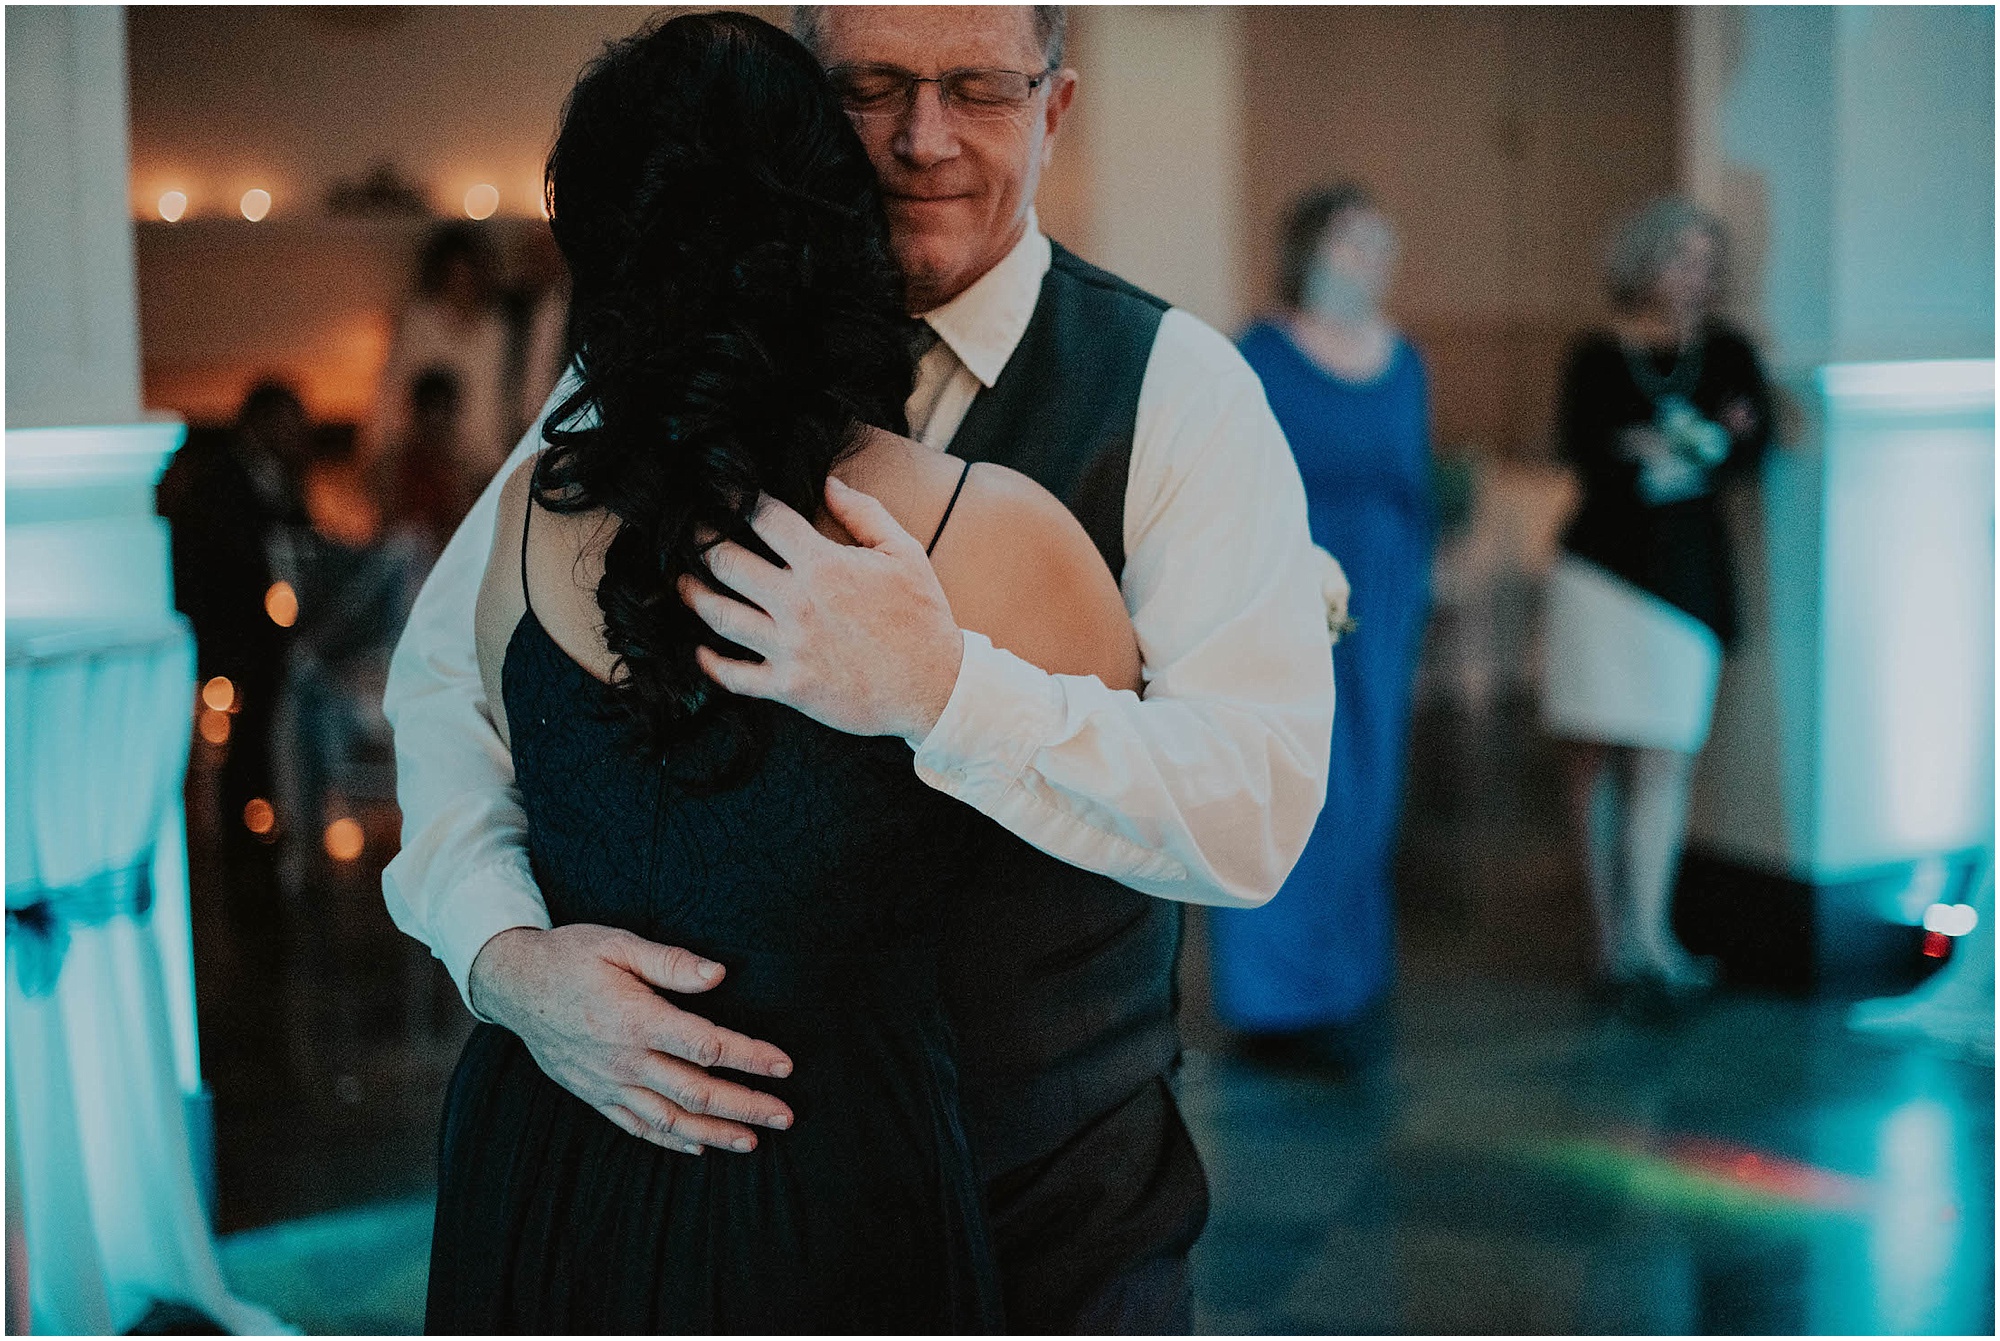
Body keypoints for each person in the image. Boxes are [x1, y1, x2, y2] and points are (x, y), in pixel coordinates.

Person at [385, 6, 1336, 1330]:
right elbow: (446, 696)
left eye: (978, 90)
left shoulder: (1180, 393)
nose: (921, 137)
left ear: (1055, 109)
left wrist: (947, 695)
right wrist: (500, 954)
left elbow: (1253, 810)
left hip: (1055, 1200)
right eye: (872, 87)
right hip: (669, 1202)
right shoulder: (630, 390)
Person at [1209, 183, 1434, 1069]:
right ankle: (1274, 996)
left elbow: (1414, 482)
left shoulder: (1405, 357)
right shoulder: (1255, 355)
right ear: (1306, 249)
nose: (1373, 256)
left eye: (1384, 241)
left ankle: (1346, 979)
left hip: (1384, 600)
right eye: (1352, 239)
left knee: (1370, 788)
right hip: (1282, 593)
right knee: (1289, 783)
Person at [1542, 196, 1771, 1006]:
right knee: (1594, 752)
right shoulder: (1596, 355)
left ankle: (1655, 936)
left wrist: (1667, 449)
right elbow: (1582, 452)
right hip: (1601, 572)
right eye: (1680, 254)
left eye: (1707, 258)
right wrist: (1683, 448)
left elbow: (1752, 443)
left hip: (1686, 581)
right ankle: (1607, 939)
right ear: (1642, 261)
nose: (1695, 272)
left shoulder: (1730, 351)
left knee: (1666, 756)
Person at [366, 223, 511, 486]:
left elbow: (497, 397)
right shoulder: (419, 322)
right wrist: (382, 453)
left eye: (468, 276)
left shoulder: (496, 326)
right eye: (454, 275)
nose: (462, 285)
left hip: (484, 463)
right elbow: (392, 389)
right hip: (425, 463)